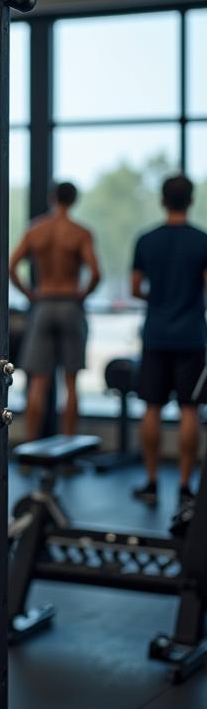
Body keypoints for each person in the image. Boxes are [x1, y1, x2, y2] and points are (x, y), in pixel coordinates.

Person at [131, 175, 207, 506]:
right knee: (190, 409)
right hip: (191, 334)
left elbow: (135, 288)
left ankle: (150, 481)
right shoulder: (202, 241)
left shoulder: (146, 240)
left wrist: (159, 300)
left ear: (163, 200)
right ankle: (185, 485)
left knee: (152, 407)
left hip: (156, 334)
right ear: (190, 201)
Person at [9, 181, 101, 440]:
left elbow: (12, 267)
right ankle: (69, 451)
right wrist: (82, 294)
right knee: (71, 383)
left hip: (44, 304)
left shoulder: (36, 230)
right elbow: (95, 274)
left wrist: (31, 294)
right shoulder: (80, 232)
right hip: (70, 303)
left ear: (52, 198)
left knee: (38, 383)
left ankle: (30, 448)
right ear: (74, 200)